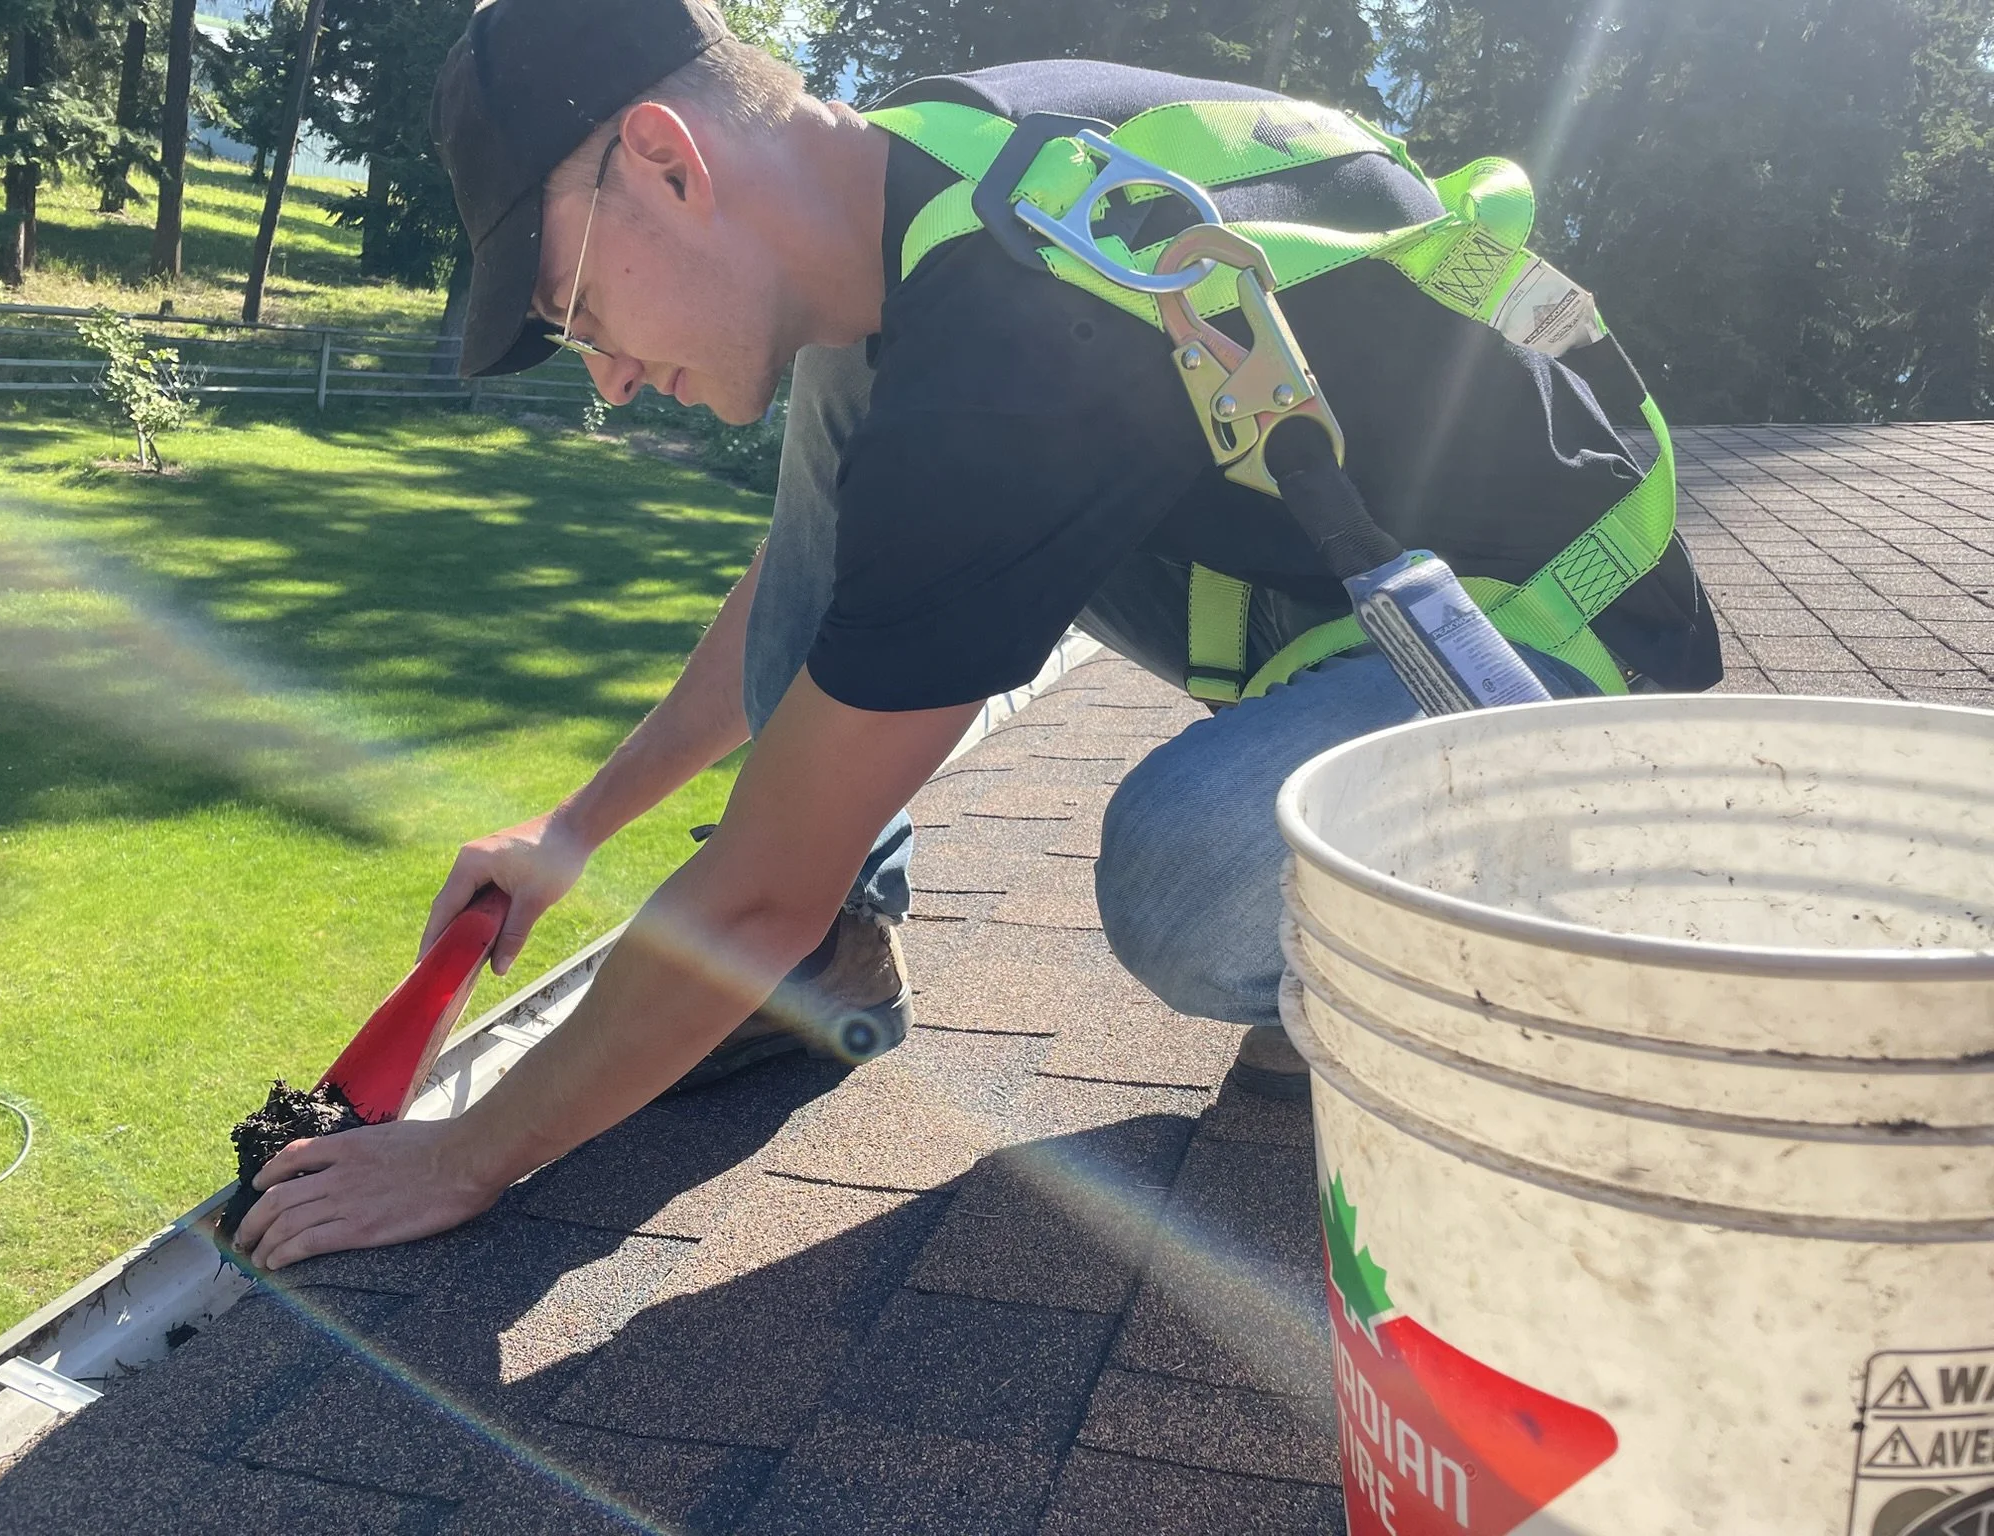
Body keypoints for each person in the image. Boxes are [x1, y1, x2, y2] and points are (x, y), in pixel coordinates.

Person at [232, 0, 1720, 1270]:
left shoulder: (1016, 340)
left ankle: (1495, 952)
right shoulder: (929, 177)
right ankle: (832, 953)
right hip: (1338, 575)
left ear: (667, 164)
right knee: (846, 381)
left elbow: (757, 867)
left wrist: (465, 1159)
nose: (607, 380)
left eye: (571, 306)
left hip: (1546, 649)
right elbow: (846, 576)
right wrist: (574, 825)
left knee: (1186, 866)